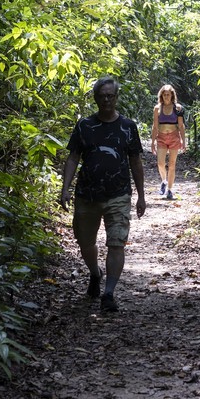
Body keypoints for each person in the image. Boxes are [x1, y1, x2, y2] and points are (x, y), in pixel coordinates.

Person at [59, 76, 146, 312]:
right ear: (96, 98)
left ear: (116, 98)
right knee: (85, 242)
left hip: (118, 194)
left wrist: (141, 195)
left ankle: (109, 293)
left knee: (116, 243)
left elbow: (136, 160)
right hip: (86, 194)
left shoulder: (128, 127)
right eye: (102, 96)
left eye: (111, 95)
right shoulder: (84, 126)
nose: (106, 99)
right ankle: (95, 273)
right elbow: (73, 157)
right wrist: (65, 188)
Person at [150, 84, 186, 200]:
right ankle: (164, 181)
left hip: (174, 137)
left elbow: (181, 125)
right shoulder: (157, 108)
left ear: (172, 95)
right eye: (164, 95)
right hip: (161, 137)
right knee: (160, 163)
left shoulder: (178, 108)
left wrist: (183, 141)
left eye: (168, 95)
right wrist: (152, 142)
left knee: (172, 164)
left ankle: (170, 190)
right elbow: (155, 126)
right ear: (161, 96)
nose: (166, 97)